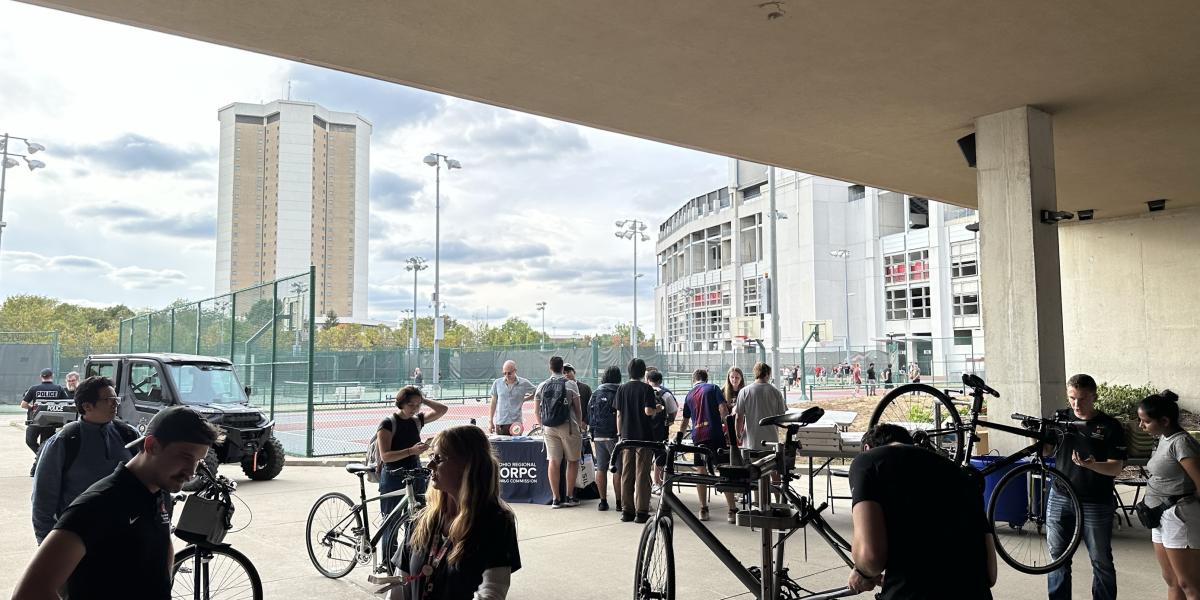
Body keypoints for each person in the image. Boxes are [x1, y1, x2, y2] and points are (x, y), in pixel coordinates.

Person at [12, 405, 219, 600]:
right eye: (185, 456)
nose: (192, 472)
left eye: (198, 461)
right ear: (151, 445)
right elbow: (30, 592)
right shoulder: (100, 503)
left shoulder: (155, 493)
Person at [847, 423, 997, 598]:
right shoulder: (961, 475)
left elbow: (871, 558)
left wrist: (862, 572)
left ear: (867, 448)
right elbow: (990, 574)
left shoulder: (867, 461)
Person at [390, 425, 521, 600]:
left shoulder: (495, 522)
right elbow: (399, 587)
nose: (430, 465)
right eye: (431, 457)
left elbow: (491, 592)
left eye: (439, 458)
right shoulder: (422, 520)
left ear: (467, 465)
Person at [31, 375, 138, 544]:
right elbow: (43, 498)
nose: (115, 403)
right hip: (78, 537)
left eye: (115, 398)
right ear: (87, 406)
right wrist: (47, 543)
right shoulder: (65, 441)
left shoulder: (129, 434)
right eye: (109, 399)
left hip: (125, 536)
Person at [1047, 373, 1126, 600]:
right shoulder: (1060, 418)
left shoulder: (1110, 426)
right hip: (1060, 495)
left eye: (1082, 399)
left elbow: (1116, 468)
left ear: (1094, 396)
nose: (1076, 404)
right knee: (1057, 558)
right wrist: (1035, 436)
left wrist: (1092, 465)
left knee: (1100, 560)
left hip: (1096, 501)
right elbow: (1045, 450)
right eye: (1072, 398)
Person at [1138, 390, 1200, 600]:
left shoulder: (1181, 443)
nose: (1141, 426)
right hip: (1158, 515)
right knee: (1172, 580)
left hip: (1179, 516)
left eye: (1145, 421)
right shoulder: (1164, 437)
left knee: (1189, 584)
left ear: (1164, 420)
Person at [378, 386, 448, 555]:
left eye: (418, 405)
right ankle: (388, 563)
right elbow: (385, 456)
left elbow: (442, 410)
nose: (415, 409)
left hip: (415, 473)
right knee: (391, 521)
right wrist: (411, 451)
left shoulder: (417, 420)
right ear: (401, 403)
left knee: (418, 519)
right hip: (393, 475)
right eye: (411, 405)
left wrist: (422, 399)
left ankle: (410, 561)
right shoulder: (388, 424)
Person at [681, 369, 738, 523]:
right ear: (706, 378)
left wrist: (679, 437)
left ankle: (703, 508)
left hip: (697, 436)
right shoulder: (713, 388)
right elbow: (723, 409)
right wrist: (729, 430)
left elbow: (685, 420)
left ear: (694, 380)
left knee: (701, 470)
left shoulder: (689, 395)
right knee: (723, 468)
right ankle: (732, 510)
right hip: (714, 433)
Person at [534, 356, 583, 508]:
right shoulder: (570, 384)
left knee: (554, 462)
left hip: (549, 428)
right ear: (563, 368)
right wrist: (579, 425)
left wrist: (543, 425)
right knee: (572, 460)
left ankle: (555, 498)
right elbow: (578, 408)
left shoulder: (542, 385)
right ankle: (569, 497)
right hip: (568, 426)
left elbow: (537, 410)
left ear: (550, 368)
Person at [615, 357, 658, 523]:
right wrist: (658, 409)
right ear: (643, 372)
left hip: (626, 437)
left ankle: (627, 511)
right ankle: (641, 511)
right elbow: (648, 411)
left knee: (627, 473)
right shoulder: (646, 389)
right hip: (644, 437)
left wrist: (620, 434)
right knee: (642, 474)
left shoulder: (622, 389)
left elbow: (618, 414)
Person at [587, 366, 623, 512]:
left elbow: (588, 413)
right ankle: (620, 502)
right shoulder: (619, 391)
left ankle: (603, 502)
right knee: (618, 470)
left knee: (601, 468)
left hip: (598, 435)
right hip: (615, 436)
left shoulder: (596, 392)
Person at [22, 367, 69, 476]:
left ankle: (37, 462)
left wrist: (32, 408)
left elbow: (23, 404)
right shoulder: (58, 388)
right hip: (51, 421)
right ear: (52, 376)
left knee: (30, 441)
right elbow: (66, 404)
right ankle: (41, 458)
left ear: (41, 377)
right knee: (45, 445)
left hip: (35, 421)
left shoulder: (34, 388)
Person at [647, 368, 678, 489]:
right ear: (660, 380)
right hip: (661, 430)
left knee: (646, 457)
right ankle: (658, 483)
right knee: (660, 456)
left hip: (646, 430)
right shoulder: (666, 394)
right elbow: (674, 411)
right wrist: (669, 421)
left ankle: (647, 484)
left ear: (648, 380)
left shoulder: (645, 392)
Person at [488, 360, 536, 435]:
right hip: (501, 423)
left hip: (516, 423)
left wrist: (525, 400)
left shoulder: (524, 383)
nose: (507, 375)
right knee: (500, 446)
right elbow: (493, 403)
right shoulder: (497, 383)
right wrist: (490, 421)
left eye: (509, 373)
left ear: (515, 371)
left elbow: (537, 392)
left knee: (516, 446)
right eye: (504, 373)